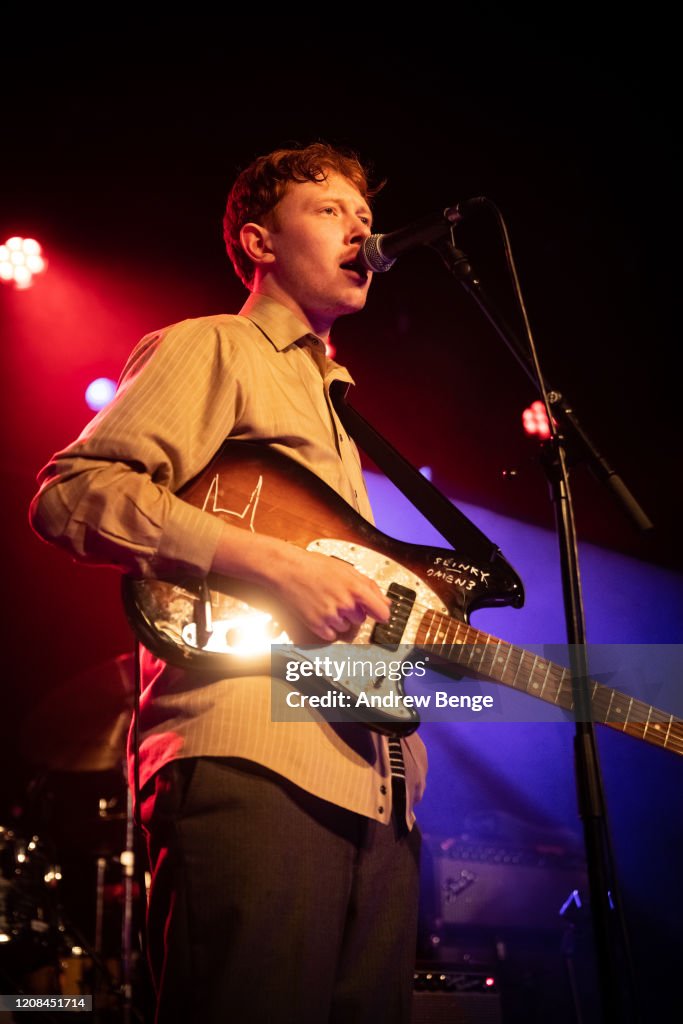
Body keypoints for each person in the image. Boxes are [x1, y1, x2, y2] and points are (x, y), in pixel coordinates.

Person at [29, 142, 428, 1024]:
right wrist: (273, 563)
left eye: (363, 216)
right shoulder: (214, 345)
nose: (360, 228)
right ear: (258, 241)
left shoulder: (340, 406)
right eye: (329, 211)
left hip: (377, 784)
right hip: (254, 755)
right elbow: (75, 496)